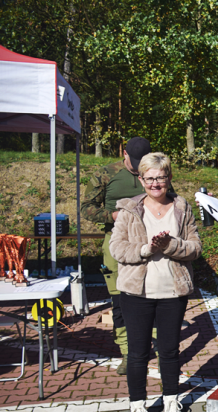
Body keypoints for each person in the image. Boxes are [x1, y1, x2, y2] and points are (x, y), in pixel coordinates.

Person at [109, 153, 202, 412]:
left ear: (169, 177)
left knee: (170, 351)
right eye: (149, 178)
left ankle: (172, 401)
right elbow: (117, 249)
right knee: (138, 354)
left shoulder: (182, 207)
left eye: (160, 177)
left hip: (173, 292)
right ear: (141, 179)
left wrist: (171, 245)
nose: (155, 183)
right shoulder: (128, 210)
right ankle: (138, 406)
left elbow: (196, 248)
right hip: (136, 293)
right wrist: (145, 250)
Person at [82, 137, 152, 375]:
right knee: (120, 301)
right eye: (133, 162)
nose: (137, 167)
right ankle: (127, 352)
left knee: (153, 296)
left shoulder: (153, 170)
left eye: (141, 163)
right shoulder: (106, 173)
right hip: (117, 242)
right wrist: (113, 216)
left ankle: (160, 349)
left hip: (149, 243)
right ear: (124, 154)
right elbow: (86, 208)